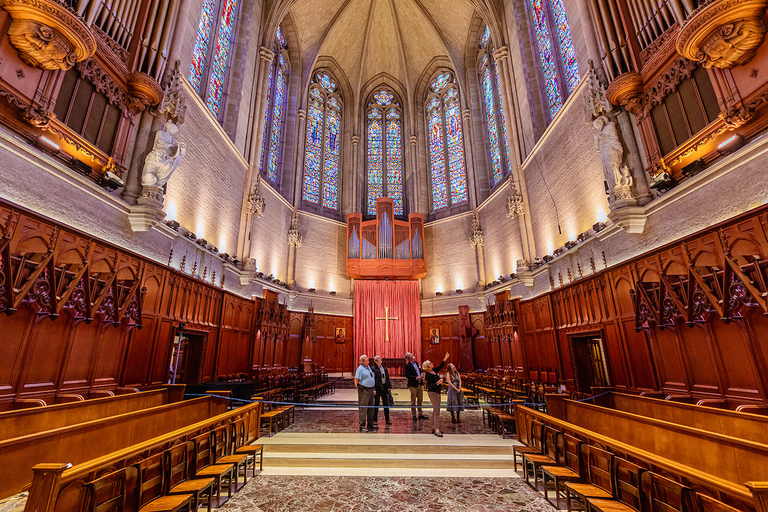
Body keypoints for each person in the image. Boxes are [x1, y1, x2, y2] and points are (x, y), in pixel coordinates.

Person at [423, 352, 450, 437]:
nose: (432, 363)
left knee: (435, 410)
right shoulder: (428, 375)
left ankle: (434, 427)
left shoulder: (433, 371)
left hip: (437, 392)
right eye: (430, 363)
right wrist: (438, 383)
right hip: (432, 393)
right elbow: (430, 386)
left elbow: (440, 366)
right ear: (427, 367)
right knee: (437, 411)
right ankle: (437, 429)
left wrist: (445, 359)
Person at [354, 354, 376, 432]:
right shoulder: (360, 369)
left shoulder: (368, 367)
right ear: (362, 361)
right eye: (366, 359)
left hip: (370, 390)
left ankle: (370, 424)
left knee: (371, 408)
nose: (368, 360)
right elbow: (356, 380)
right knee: (363, 408)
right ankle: (362, 426)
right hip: (364, 390)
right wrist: (360, 389)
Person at [404, 352, 427, 421]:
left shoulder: (416, 363)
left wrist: (422, 375)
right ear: (408, 358)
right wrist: (416, 378)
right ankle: (414, 414)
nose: (412, 355)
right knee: (413, 400)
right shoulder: (407, 366)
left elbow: (419, 371)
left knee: (420, 399)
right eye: (410, 355)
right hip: (413, 385)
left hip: (419, 384)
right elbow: (407, 375)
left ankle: (420, 414)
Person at [371, 355, 392, 426]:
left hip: (384, 388)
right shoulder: (373, 369)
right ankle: (375, 420)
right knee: (376, 404)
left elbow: (387, 377)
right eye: (380, 359)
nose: (381, 359)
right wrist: (374, 389)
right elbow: (372, 380)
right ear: (376, 361)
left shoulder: (384, 368)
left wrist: (389, 386)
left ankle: (387, 419)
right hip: (377, 389)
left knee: (386, 404)